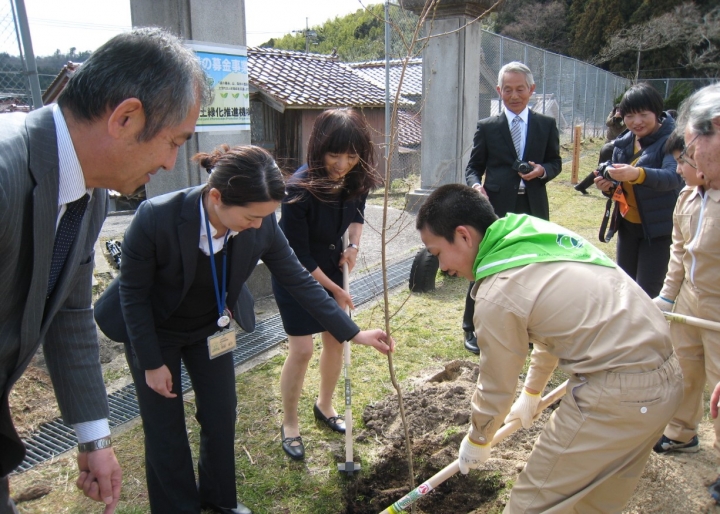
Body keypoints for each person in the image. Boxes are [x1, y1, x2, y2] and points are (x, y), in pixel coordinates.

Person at [94, 145, 394, 513]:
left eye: (264, 217)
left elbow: (297, 279)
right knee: (164, 429)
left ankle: (220, 501)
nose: (258, 226)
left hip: (212, 326)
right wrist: (151, 362)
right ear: (217, 197)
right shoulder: (157, 217)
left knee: (221, 415)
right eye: (251, 217)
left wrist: (352, 332)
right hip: (156, 330)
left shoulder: (262, 219)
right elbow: (134, 295)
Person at [0, 28, 208, 514]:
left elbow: (70, 313)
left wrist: (95, 437)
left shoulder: (87, 196)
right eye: (172, 142)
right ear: (126, 117)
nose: (169, 162)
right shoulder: (5, 172)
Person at [416, 183, 682, 513]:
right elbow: (555, 324)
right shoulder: (532, 237)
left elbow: (496, 385)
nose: (441, 268)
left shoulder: (497, 292)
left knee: (531, 504)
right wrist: (532, 392)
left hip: (619, 394)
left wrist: (477, 438)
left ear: (464, 236)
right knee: (595, 503)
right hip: (666, 378)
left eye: (438, 253)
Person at [272, 108, 383, 460]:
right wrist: (335, 290)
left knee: (336, 340)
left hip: (335, 264)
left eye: (351, 155)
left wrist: (352, 246)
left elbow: (358, 213)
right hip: (297, 274)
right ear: (318, 147)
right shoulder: (297, 190)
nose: (342, 164)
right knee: (302, 350)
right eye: (334, 154)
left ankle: (325, 405)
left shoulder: (355, 178)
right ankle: (290, 422)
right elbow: (298, 255)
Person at [650, 84, 720, 504]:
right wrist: (667, 297)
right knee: (686, 372)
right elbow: (679, 253)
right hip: (692, 303)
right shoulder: (689, 199)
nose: (685, 165)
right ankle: (680, 432)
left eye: (690, 156)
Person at [462, 61, 562, 355]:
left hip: (532, 205)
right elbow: (473, 167)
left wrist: (542, 171)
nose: (514, 95)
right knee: (485, 263)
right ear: (499, 91)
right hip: (495, 207)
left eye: (520, 89)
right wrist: (475, 187)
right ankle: (473, 327)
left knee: (532, 266)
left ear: (532, 90)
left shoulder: (545, 125)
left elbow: (555, 162)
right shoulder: (488, 127)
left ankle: (528, 328)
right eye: (508, 89)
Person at [594, 82, 682, 298]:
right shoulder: (623, 142)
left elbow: (672, 177)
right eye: (630, 116)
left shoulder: (672, 140)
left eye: (643, 114)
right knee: (625, 288)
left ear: (657, 112)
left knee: (647, 293)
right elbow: (619, 187)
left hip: (657, 230)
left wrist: (637, 174)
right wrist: (607, 187)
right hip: (628, 226)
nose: (636, 122)